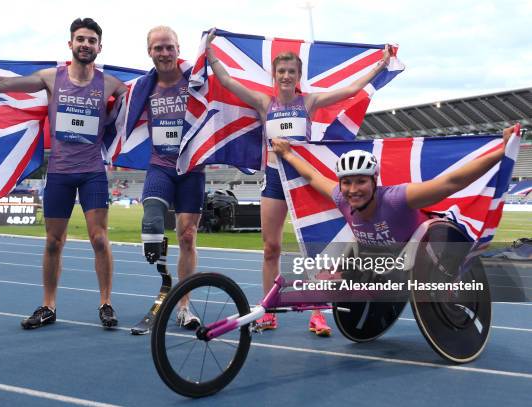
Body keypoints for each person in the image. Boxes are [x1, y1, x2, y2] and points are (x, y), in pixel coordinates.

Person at [0, 18, 128, 329]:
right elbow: (4, 86)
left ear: (99, 47)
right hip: (60, 172)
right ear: (70, 44)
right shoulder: (51, 78)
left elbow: (149, 96)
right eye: (81, 39)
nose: (86, 44)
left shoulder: (111, 84)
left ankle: (106, 304)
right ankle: (48, 306)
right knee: (53, 242)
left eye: (92, 40)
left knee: (100, 239)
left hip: (92, 172)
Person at [206, 29, 392, 336]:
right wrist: (210, 52)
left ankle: (317, 313)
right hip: (275, 183)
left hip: (304, 181)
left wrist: (379, 65)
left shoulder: (309, 102)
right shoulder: (265, 104)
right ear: (274, 75)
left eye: (291, 71)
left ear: (299, 75)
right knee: (271, 248)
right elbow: (227, 81)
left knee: (316, 249)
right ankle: (269, 312)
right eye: (281, 71)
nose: (286, 76)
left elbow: (351, 89)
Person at [271, 125, 517, 249]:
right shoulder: (340, 197)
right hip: (380, 260)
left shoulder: (397, 198)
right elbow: (313, 177)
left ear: (374, 181)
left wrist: (501, 151)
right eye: (346, 182)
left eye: (361, 181)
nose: (353, 189)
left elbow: (449, 183)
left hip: (425, 251)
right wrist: (289, 154)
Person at [133, 26, 204, 334]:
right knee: (151, 222)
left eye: (169, 47)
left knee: (187, 237)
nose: (164, 53)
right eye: (158, 48)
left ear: (178, 48)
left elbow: (227, 86)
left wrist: (212, 50)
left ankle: (184, 306)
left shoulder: (197, 81)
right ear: (150, 51)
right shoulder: (142, 88)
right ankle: (164, 282)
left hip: (192, 168)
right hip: (160, 166)